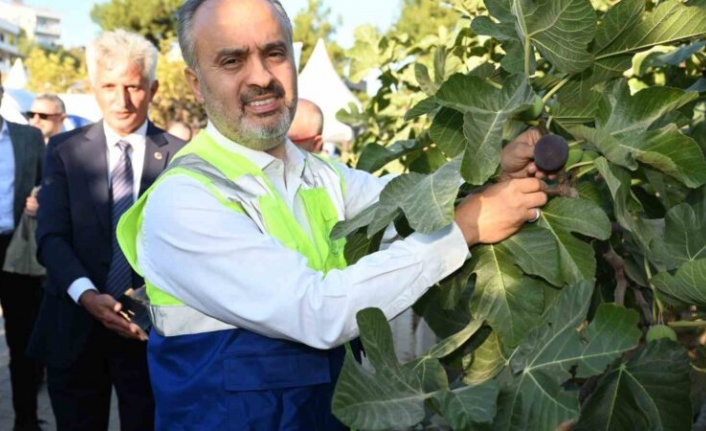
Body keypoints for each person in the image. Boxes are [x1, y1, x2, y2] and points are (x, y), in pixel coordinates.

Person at [116, 1, 548, 430]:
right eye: (232, 61)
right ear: (195, 83)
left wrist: (492, 168)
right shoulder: (182, 201)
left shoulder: (318, 174)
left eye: (274, 52)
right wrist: (466, 228)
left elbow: (410, 205)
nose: (262, 77)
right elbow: (317, 311)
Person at [27, 29, 186, 431]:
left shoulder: (181, 157)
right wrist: (88, 295)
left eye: (133, 86)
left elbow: (187, 245)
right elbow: (51, 237)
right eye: (109, 86)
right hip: (74, 326)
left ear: (152, 87)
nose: (122, 100)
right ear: (94, 87)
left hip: (148, 332)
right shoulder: (63, 150)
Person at [0, 83, 46, 431]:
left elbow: (49, 184)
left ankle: (26, 421)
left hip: (17, 249)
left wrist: (41, 200)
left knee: (22, 341)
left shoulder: (29, 138)